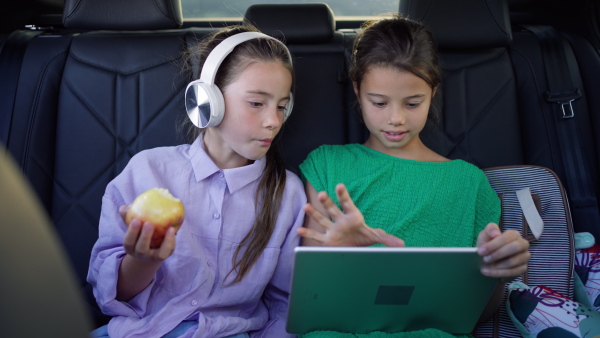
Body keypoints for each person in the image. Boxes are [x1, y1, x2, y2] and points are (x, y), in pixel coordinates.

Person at [297, 15, 530, 338]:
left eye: (412, 103)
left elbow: (476, 312)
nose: (395, 119)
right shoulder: (328, 165)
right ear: (357, 90)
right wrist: (337, 256)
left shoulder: (469, 183)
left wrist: (495, 273)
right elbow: (312, 300)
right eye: (378, 102)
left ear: (432, 92)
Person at [87, 25, 305, 338]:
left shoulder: (288, 194)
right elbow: (110, 296)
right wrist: (142, 261)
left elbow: (285, 308)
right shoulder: (147, 172)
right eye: (256, 103)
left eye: (282, 106)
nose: (274, 120)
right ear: (208, 99)